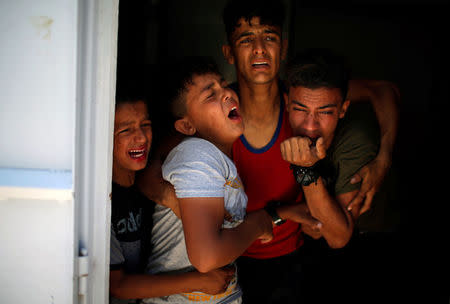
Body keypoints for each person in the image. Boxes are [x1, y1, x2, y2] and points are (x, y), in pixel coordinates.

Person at [220, 0, 399, 302]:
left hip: (291, 261)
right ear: (229, 52)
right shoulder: (220, 109)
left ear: (284, 48)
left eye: (270, 38)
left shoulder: (306, 101)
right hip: (227, 261)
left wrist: (384, 159)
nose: (260, 49)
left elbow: (383, 91)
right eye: (246, 39)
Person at [141, 57, 320, 304]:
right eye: (210, 94)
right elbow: (206, 257)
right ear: (187, 125)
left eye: (223, 85)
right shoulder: (197, 156)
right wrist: (258, 224)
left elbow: (224, 225)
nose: (226, 93)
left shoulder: (215, 160)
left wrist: (278, 214)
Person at [109, 87, 238, 304]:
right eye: (125, 131)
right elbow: (118, 286)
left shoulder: (149, 182)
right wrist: (199, 281)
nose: (140, 137)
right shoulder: (103, 200)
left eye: (145, 125)